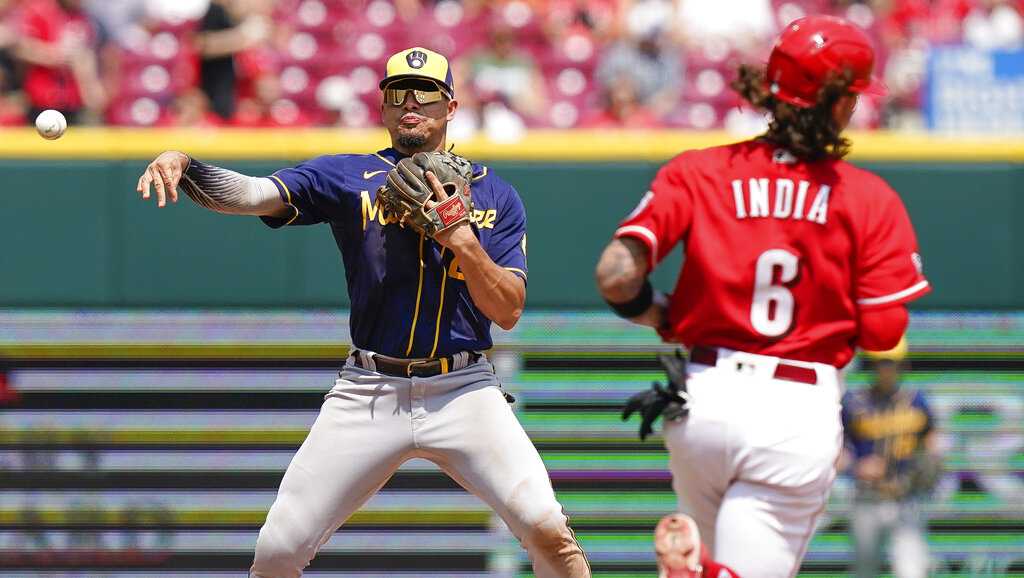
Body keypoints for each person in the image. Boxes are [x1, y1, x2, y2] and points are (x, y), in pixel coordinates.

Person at [134, 46, 590, 578]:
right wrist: (187, 164)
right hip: (369, 390)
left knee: (549, 532)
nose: (410, 103)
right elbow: (256, 195)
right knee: (278, 551)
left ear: (450, 107)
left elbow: (508, 311)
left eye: (425, 94)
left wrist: (462, 240)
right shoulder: (348, 176)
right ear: (382, 106)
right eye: (397, 93)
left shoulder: (496, 195)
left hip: (463, 390)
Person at [594, 15, 931, 578]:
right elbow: (884, 332)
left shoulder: (698, 170)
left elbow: (615, 274)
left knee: (718, 562)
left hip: (703, 397)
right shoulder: (868, 198)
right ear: (842, 103)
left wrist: (664, 316)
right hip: (793, 409)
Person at [842, 338, 941, 578]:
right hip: (867, 498)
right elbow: (837, 451)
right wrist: (856, 467)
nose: (886, 369)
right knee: (865, 571)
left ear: (902, 365)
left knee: (911, 571)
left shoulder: (917, 401)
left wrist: (930, 463)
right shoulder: (854, 403)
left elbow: (932, 440)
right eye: (881, 363)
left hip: (906, 498)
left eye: (892, 363)